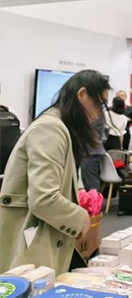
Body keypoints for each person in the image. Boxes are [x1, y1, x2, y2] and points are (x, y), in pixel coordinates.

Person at [0, 70, 110, 274]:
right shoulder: (51, 128)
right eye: (99, 104)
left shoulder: (58, 127)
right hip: (31, 239)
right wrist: (80, 219)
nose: (98, 114)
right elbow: (43, 198)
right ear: (82, 94)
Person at [81, 118, 106, 192]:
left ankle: (94, 198)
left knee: (91, 183)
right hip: (92, 151)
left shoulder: (93, 118)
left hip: (90, 152)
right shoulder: (99, 116)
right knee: (90, 181)